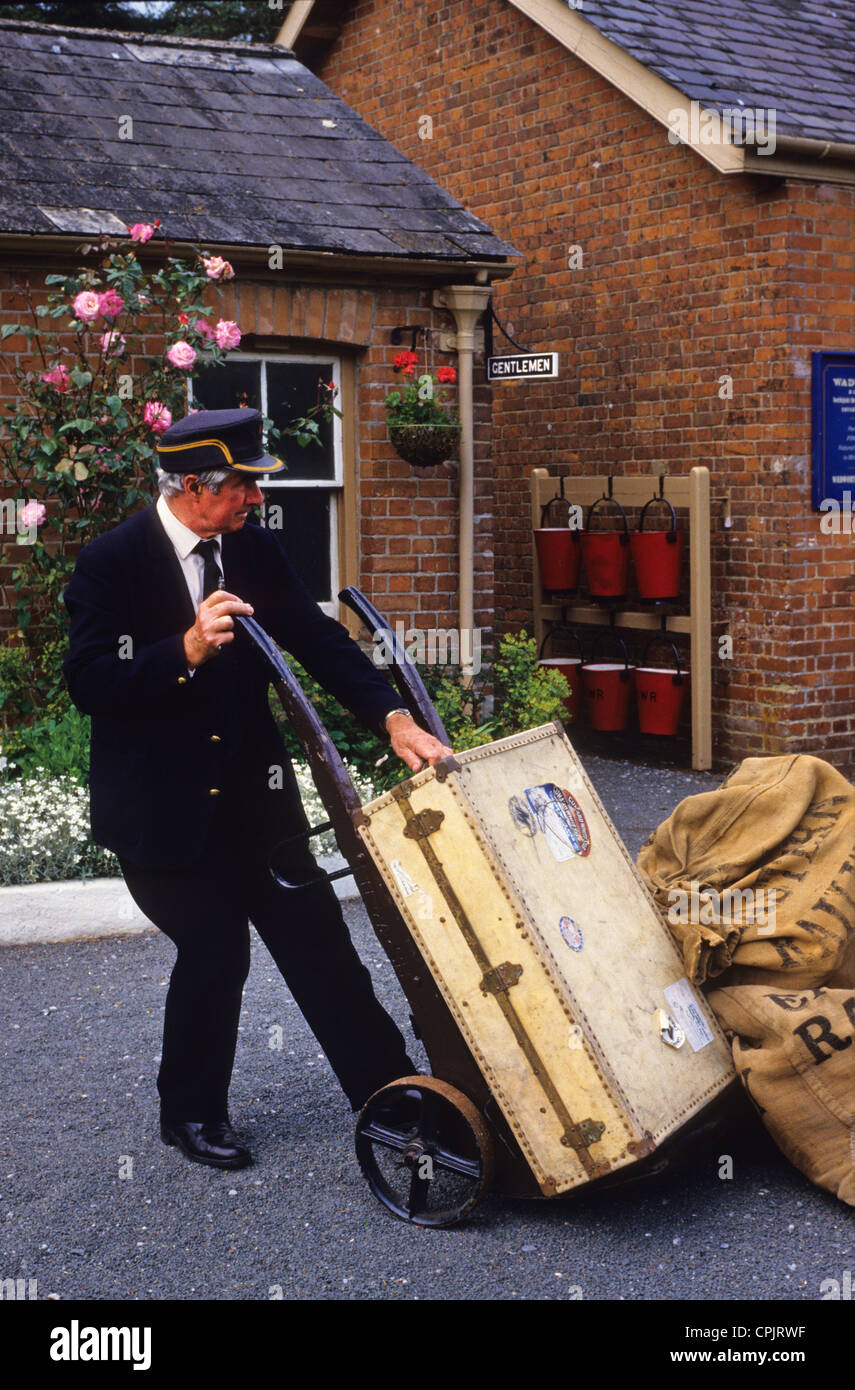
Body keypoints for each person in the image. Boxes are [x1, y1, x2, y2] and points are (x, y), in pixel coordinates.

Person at [63, 407, 451, 1171]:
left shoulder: (254, 550)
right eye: (242, 486)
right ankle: (191, 1115)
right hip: (160, 813)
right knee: (215, 953)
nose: (253, 501)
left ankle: (394, 1100)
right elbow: (91, 683)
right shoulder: (110, 562)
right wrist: (185, 648)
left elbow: (318, 641)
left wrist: (392, 718)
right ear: (193, 487)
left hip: (257, 801)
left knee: (322, 948)